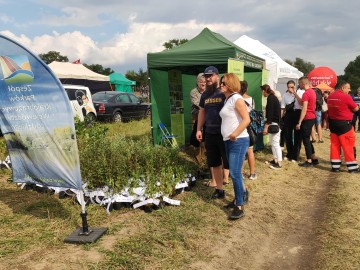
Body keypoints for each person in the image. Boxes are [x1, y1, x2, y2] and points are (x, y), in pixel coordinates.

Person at [219, 73, 250, 219]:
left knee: (235, 173)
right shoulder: (228, 99)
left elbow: (246, 119)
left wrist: (234, 134)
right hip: (229, 141)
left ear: (231, 84)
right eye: (221, 82)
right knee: (235, 172)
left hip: (237, 141)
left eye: (223, 83)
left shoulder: (237, 98)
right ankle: (241, 195)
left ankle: (239, 206)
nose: (221, 85)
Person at [196, 66, 229, 199]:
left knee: (229, 162)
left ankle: (242, 190)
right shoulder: (205, 94)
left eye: (210, 76)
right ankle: (219, 190)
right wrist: (199, 128)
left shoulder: (223, 92)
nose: (208, 78)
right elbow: (202, 111)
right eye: (206, 76)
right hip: (210, 132)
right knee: (214, 162)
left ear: (217, 76)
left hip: (224, 133)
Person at [327, 81, 359, 173]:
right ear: (342, 88)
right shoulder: (346, 97)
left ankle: (335, 166)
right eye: (348, 88)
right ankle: (352, 167)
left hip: (333, 124)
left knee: (334, 145)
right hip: (345, 124)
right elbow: (356, 108)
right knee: (348, 145)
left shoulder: (330, 96)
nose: (349, 90)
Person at [296, 77, 319, 167]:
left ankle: (309, 161)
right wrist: (296, 94)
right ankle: (313, 157)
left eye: (300, 84)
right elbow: (302, 103)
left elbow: (304, 108)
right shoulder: (312, 92)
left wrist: (300, 121)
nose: (299, 85)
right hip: (312, 117)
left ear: (303, 83)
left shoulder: (306, 93)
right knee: (308, 139)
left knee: (306, 140)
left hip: (307, 118)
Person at [281, 80, 304, 162]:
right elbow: (283, 107)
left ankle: (295, 155)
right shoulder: (285, 95)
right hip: (289, 114)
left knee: (297, 135)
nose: (290, 88)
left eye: (292, 87)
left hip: (297, 113)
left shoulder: (300, 92)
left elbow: (301, 103)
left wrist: (295, 93)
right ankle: (289, 153)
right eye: (289, 87)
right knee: (288, 134)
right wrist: (281, 118)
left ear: (295, 86)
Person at [261, 84, 282, 169]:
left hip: (274, 123)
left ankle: (279, 163)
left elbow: (269, 114)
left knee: (276, 144)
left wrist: (266, 127)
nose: (262, 94)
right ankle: (275, 160)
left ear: (264, 91)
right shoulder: (273, 98)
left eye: (262, 92)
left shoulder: (270, 98)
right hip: (275, 123)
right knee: (273, 144)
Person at [239, 80, 257, 180]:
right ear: (247, 89)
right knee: (250, 151)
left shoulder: (236, 99)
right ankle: (252, 173)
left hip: (239, 126)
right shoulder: (251, 99)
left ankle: (240, 173)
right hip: (249, 127)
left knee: (241, 152)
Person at [190, 73, 207, 165]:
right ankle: (198, 161)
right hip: (196, 118)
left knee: (204, 139)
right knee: (196, 139)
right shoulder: (193, 92)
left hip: (207, 118)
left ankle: (204, 160)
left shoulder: (209, 91)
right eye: (201, 81)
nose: (203, 83)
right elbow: (197, 104)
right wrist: (209, 105)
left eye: (204, 82)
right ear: (197, 82)